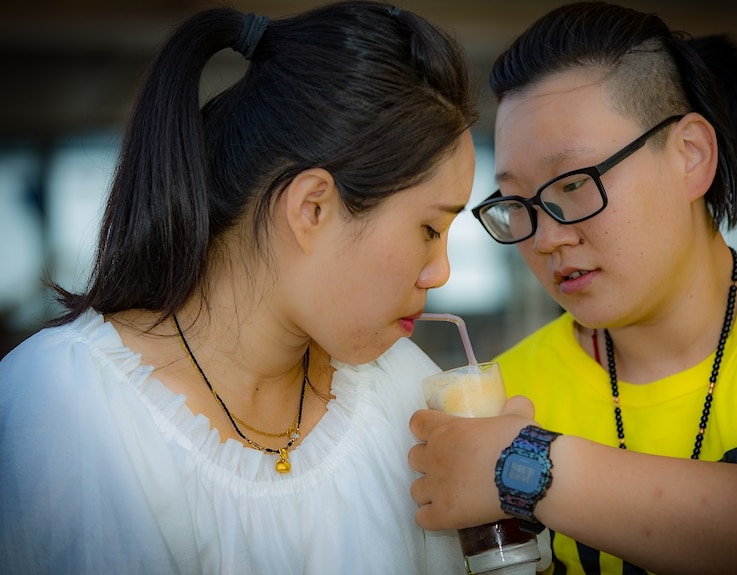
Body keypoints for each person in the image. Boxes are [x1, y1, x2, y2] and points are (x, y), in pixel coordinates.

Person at [0, 2, 479, 573]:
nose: (441, 272)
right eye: (429, 229)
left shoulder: (405, 389)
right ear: (313, 208)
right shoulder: (67, 403)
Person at [408, 2, 737, 574]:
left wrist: (521, 467)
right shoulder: (506, 399)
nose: (546, 238)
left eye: (574, 184)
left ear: (690, 157)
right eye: (518, 203)